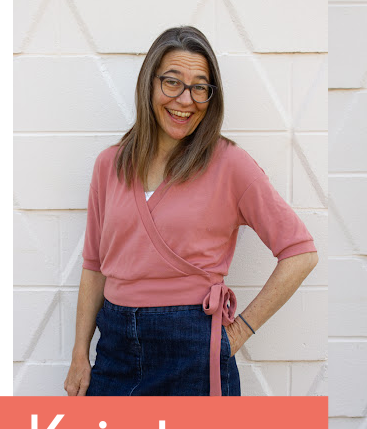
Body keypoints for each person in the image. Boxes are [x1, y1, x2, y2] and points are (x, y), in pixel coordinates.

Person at [63, 26, 318, 397]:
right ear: (149, 84)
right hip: (114, 349)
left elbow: (301, 253)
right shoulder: (110, 165)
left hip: (193, 349)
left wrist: (238, 333)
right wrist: (79, 355)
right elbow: (94, 266)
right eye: (172, 82)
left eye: (200, 87)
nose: (186, 100)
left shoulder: (230, 164)